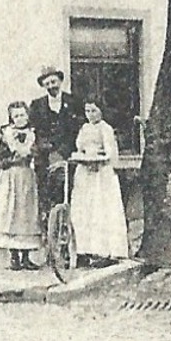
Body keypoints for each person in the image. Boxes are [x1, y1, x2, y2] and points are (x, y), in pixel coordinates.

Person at [70, 101, 130, 261]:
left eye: (94, 111)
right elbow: (79, 147)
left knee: (101, 209)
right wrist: (81, 156)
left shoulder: (106, 128)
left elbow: (110, 153)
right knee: (84, 210)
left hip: (101, 173)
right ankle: (84, 250)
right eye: (87, 111)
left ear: (101, 111)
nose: (90, 114)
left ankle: (105, 252)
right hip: (85, 173)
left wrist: (99, 158)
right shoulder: (84, 128)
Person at [0, 101, 42, 270]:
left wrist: (35, 154)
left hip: (27, 176)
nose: (20, 119)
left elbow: (39, 154)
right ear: (11, 118)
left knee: (25, 214)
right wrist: (12, 160)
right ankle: (14, 257)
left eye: (22, 115)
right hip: (11, 178)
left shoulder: (33, 134)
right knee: (11, 213)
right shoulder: (7, 135)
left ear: (28, 116)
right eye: (16, 116)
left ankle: (26, 257)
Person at [27, 66, 84, 220]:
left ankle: (67, 227)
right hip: (45, 158)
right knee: (46, 194)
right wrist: (48, 149)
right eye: (47, 84)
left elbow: (78, 129)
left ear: (60, 81)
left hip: (68, 156)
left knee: (67, 192)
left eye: (54, 82)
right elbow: (35, 131)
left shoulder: (74, 102)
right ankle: (48, 230)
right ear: (43, 86)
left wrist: (62, 152)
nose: (51, 86)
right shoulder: (37, 105)